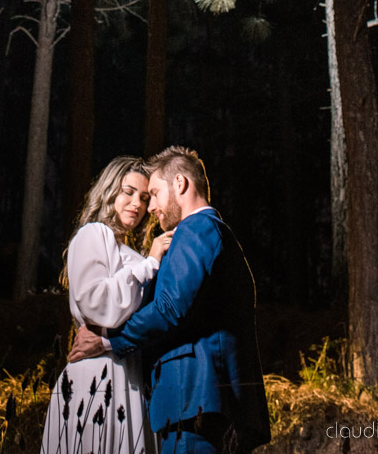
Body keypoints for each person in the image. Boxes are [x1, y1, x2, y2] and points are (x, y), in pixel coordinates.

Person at [68, 146, 270, 454]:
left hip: (197, 399)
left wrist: (108, 340)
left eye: (155, 193)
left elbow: (169, 308)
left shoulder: (197, 228)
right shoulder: (208, 232)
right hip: (197, 403)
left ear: (180, 184)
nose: (149, 207)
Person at [41, 156, 173, 454]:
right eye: (127, 192)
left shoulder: (129, 250)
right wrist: (149, 264)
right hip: (97, 375)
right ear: (109, 190)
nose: (136, 204)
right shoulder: (93, 233)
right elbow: (98, 305)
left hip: (128, 373)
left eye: (143, 197)